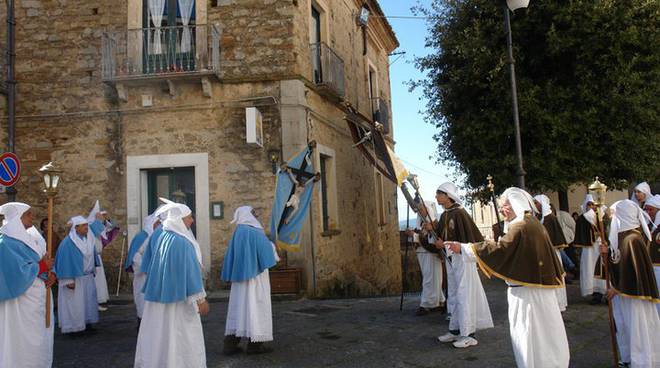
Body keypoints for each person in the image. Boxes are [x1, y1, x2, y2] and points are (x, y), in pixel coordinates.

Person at [447, 187, 569, 368]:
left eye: (504, 206)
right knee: (545, 335)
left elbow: (500, 250)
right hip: (536, 293)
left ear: (515, 205)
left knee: (528, 337)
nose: (502, 210)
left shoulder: (521, 226)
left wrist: (464, 248)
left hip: (527, 297)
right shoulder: (531, 222)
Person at [134, 203, 208, 368]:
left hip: (156, 300)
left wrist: (161, 282)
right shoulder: (183, 243)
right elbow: (190, 275)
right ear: (179, 220)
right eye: (189, 217)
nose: (192, 221)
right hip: (179, 302)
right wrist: (201, 300)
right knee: (180, 337)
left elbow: (146, 266)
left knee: (158, 337)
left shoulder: (158, 235)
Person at [422, 182, 493, 349]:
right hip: (451, 259)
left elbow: (468, 240)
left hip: (463, 260)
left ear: (448, 195)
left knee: (464, 295)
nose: (436, 197)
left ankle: (469, 334)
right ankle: (454, 330)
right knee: (453, 294)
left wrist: (444, 244)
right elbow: (441, 236)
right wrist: (432, 228)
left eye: (439, 194)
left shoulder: (460, 214)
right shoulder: (445, 215)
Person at [600, 199, 660, 367]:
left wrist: (617, 289)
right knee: (625, 326)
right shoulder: (622, 237)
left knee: (637, 329)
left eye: (615, 216)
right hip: (625, 295)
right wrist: (606, 255)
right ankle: (628, 359)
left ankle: (641, 362)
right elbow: (618, 262)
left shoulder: (632, 239)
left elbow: (634, 272)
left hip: (634, 297)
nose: (612, 220)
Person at [0, 203, 55, 368]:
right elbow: (14, 274)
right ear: (18, 218)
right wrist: (43, 267)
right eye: (28, 214)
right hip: (18, 304)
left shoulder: (29, 238)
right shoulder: (5, 244)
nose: (32, 217)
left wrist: (49, 275)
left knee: (37, 338)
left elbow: (38, 262)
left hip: (35, 299)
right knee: (20, 340)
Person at [221, 206, 279, 355]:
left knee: (238, 309)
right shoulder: (255, 232)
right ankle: (255, 346)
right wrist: (273, 245)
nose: (256, 216)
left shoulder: (238, 232)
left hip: (240, 281)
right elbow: (266, 251)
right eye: (253, 213)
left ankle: (230, 344)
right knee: (256, 307)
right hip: (256, 278)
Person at [54, 214, 105, 334]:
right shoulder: (68, 243)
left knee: (88, 303)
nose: (86, 228)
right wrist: (68, 280)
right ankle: (74, 327)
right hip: (74, 278)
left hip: (87, 277)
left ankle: (87, 323)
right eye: (83, 226)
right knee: (75, 304)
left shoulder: (89, 240)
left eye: (86, 225)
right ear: (76, 228)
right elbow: (64, 261)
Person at [405, 199, 446, 316]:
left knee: (431, 279)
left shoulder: (434, 223)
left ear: (428, 209)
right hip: (423, 254)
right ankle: (438, 301)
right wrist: (413, 234)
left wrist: (415, 235)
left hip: (431, 254)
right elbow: (421, 236)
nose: (419, 211)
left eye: (422, 209)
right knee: (432, 278)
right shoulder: (421, 222)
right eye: (419, 209)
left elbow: (433, 240)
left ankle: (426, 304)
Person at [124, 213, 160, 328]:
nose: (160, 225)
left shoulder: (158, 236)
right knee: (143, 303)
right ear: (151, 223)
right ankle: (142, 327)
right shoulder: (141, 237)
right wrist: (147, 267)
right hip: (143, 277)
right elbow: (135, 257)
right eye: (157, 223)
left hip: (155, 277)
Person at [534, 195, 569, 311]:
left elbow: (556, 238)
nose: (535, 205)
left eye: (536, 203)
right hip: (542, 254)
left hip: (552, 253)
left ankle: (558, 304)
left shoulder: (551, 218)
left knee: (555, 277)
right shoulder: (538, 218)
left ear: (542, 203)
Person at [573, 194, 607, 304]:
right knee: (590, 269)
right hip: (590, 249)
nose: (592, 206)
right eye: (589, 204)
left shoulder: (602, 215)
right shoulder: (583, 218)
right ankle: (595, 294)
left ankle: (605, 292)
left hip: (601, 247)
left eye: (593, 204)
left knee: (603, 269)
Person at [643, 194, 660, 315]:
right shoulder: (646, 227)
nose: (648, 212)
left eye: (651, 209)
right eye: (646, 209)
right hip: (650, 269)